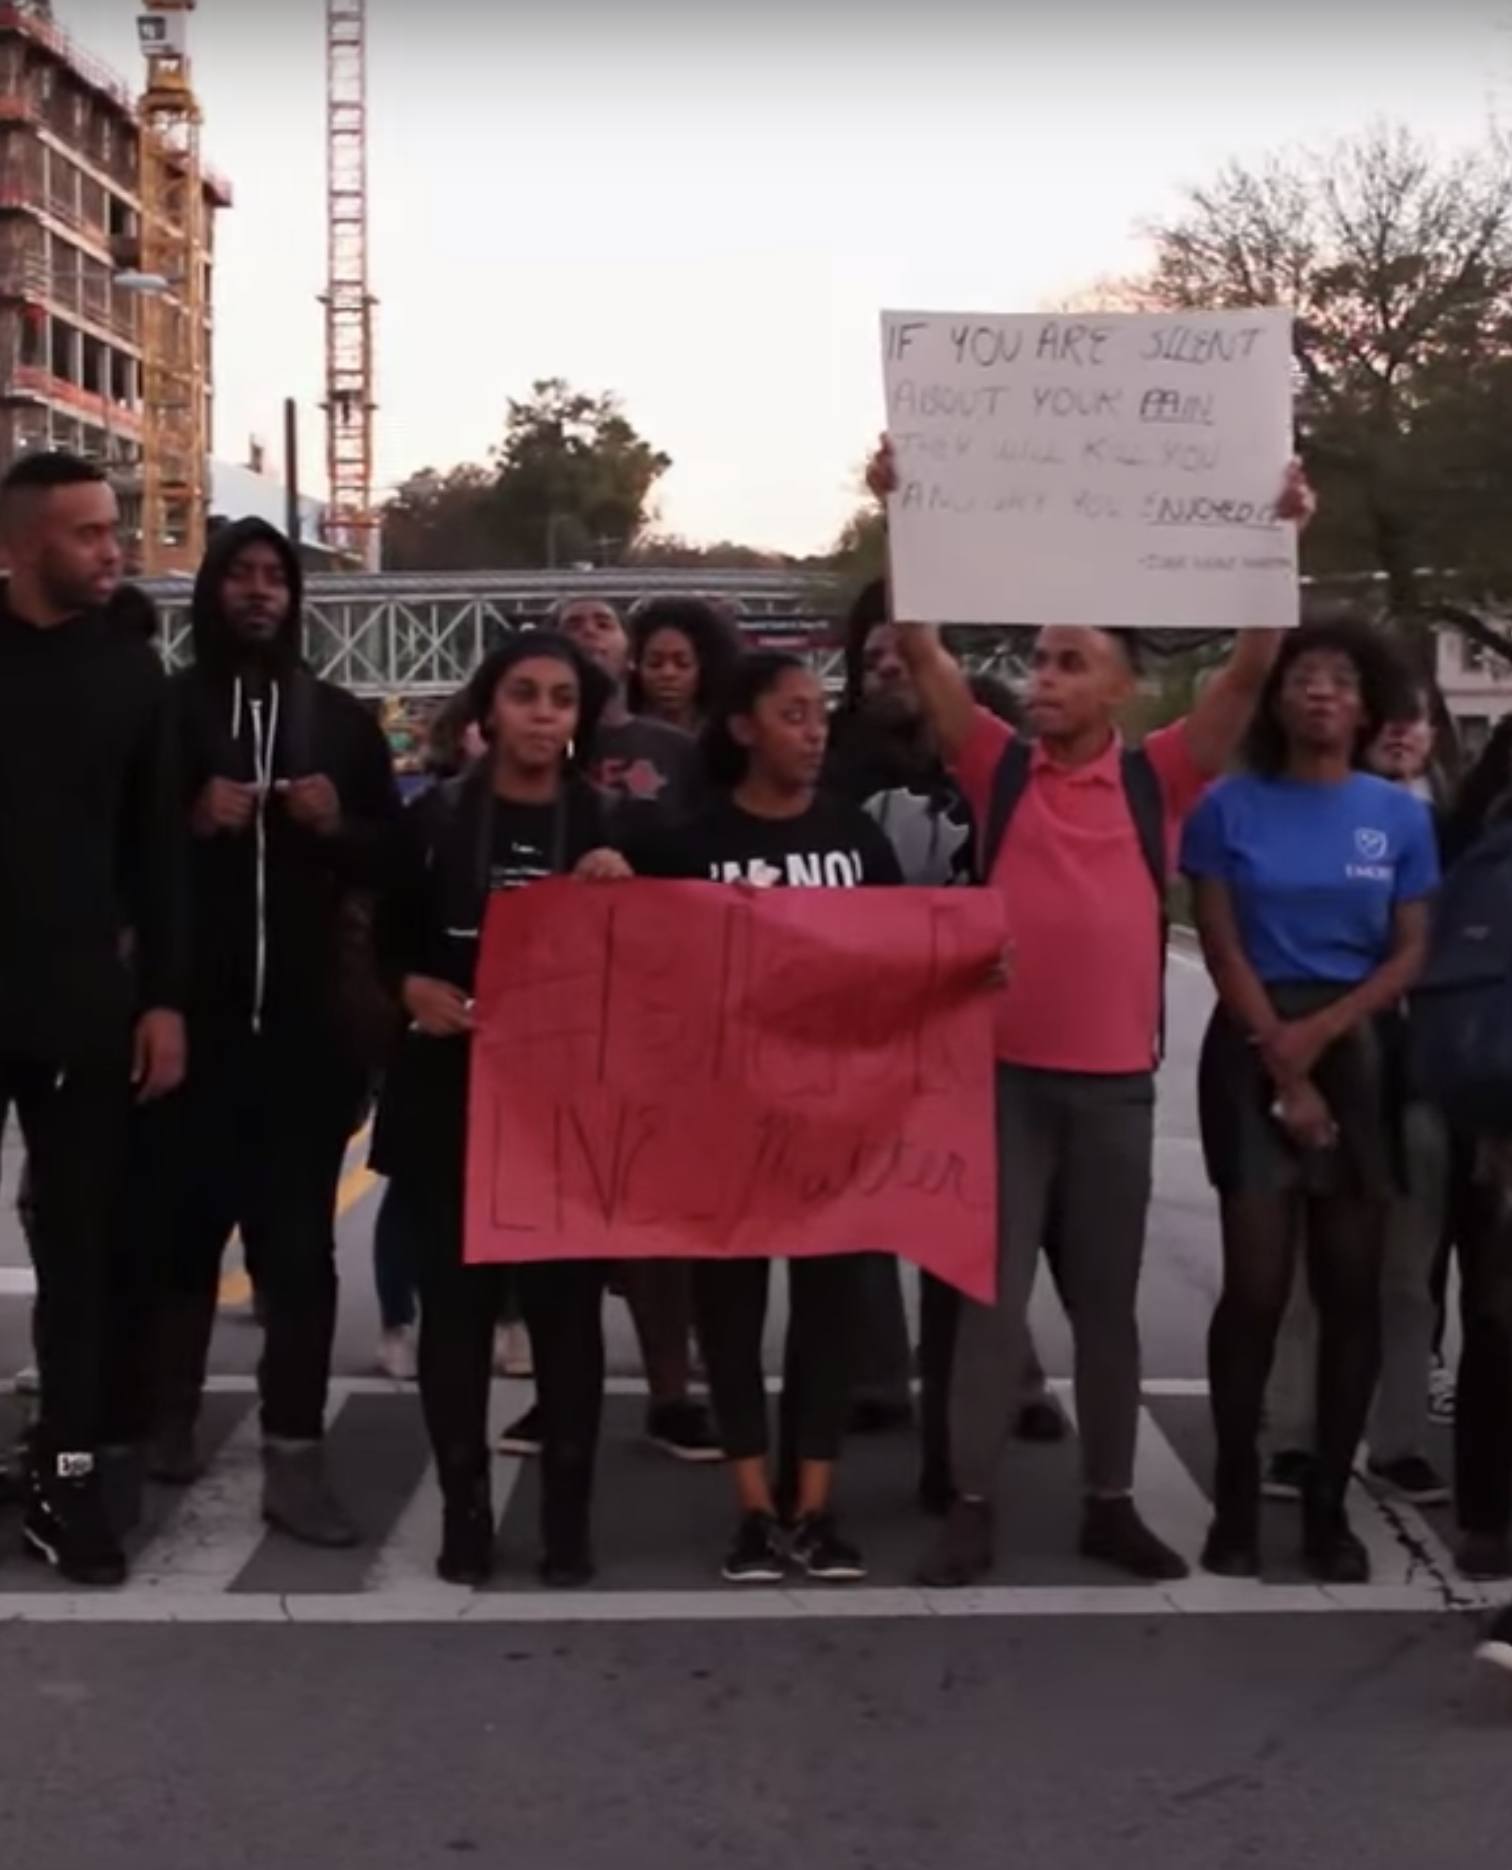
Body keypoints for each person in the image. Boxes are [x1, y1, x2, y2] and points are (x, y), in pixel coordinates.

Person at [864, 434, 1315, 1587]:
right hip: (1003, 1084)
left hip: (1115, 1083)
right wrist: (902, 512)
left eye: (1071, 662)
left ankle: (1109, 1500)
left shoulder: (1154, 775)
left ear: (1119, 687)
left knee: (1105, 1311)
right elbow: (921, 646)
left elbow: (1253, 667)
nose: (1044, 677)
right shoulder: (997, 765)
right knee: (986, 1305)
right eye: (1041, 661)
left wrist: (1280, 533)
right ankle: (969, 1503)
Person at [632, 650, 917, 1582]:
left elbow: (899, 967)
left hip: (834, 1124)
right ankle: (754, 1509)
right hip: (728, 1126)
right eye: (792, 714)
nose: (814, 729)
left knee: (829, 1314)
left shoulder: (858, 843)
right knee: (732, 1312)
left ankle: (816, 1505)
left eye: (819, 714)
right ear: (744, 729)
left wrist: (963, 969)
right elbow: (644, 973)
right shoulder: (687, 846)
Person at [146, 517, 401, 1548]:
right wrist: (189, 817)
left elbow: (396, 858)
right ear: (211, 592)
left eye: (275, 578)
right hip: (187, 1038)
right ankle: (162, 1421)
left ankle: (296, 1459)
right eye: (241, 576)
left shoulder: (338, 719)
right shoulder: (164, 717)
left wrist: (339, 824)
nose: (259, 592)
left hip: (306, 1042)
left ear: (295, 598)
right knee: (171, 1244)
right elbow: (111, 853)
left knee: (298, 1257)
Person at [372, 630, 630, 1587]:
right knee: (457, 1318)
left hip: (568, 1112)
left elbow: (672, 960)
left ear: (579, 719)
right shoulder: (435, 818)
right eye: (524, 694)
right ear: (488, 708)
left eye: (561, 699)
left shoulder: (609, 823)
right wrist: (411, 991)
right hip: (450, 1101)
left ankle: (569, 1516)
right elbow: (380, 935)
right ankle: (466, 1509)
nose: (542, 714)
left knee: (566, 1319)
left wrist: (630, 891)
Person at [1182, 619, 1435, 1582]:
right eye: (1302, 679)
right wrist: (1283, 1064)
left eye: (1339, 681)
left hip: (1359, 1045)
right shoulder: (1227, 808)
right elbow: (1220, 940)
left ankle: (1329, 1511)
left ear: (1366, 704)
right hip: (1251, 1042)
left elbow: (1411, 947)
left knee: (1351, 1289)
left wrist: (1325, 1042)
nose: (1320, 693)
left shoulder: (1399, 817)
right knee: (1255, 1290)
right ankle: (1237, 1504)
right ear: (1277, 701)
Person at [823, 583, 1065, 1502]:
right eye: (872, 658)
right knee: (871, 1196)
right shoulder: (837, 754)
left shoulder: (991, 749)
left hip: (977, 1007)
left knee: (984, 1205)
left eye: (903, 653)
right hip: (867, 1004)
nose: (887, 669)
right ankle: (878, 1376)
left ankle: (1016, 1373)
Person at [0, 450, 186, 1585]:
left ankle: (68, 1484)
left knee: (81, 1260)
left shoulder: (133, 677)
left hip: (81, 1008)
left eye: (113, 529)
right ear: (21, 547)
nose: (112, 549)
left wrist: (162, 999)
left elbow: (157, 855)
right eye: (85, 533)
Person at [1261, 684, 1451, 1509]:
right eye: (1394, 714)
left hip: (1420, 1077)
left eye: (1421, 717)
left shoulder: (1452, 825)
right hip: (1332, 1062)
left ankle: (1400, 1439)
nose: (1405, 731)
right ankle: (1293, 1435)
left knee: (1407, 1276)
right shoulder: (1318, 820)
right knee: (1310, 1268)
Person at [626, 593, 743, 734]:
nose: (668, 673)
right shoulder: (620, 736)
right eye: (654, 664)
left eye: (682, 664)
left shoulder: (727, 736)